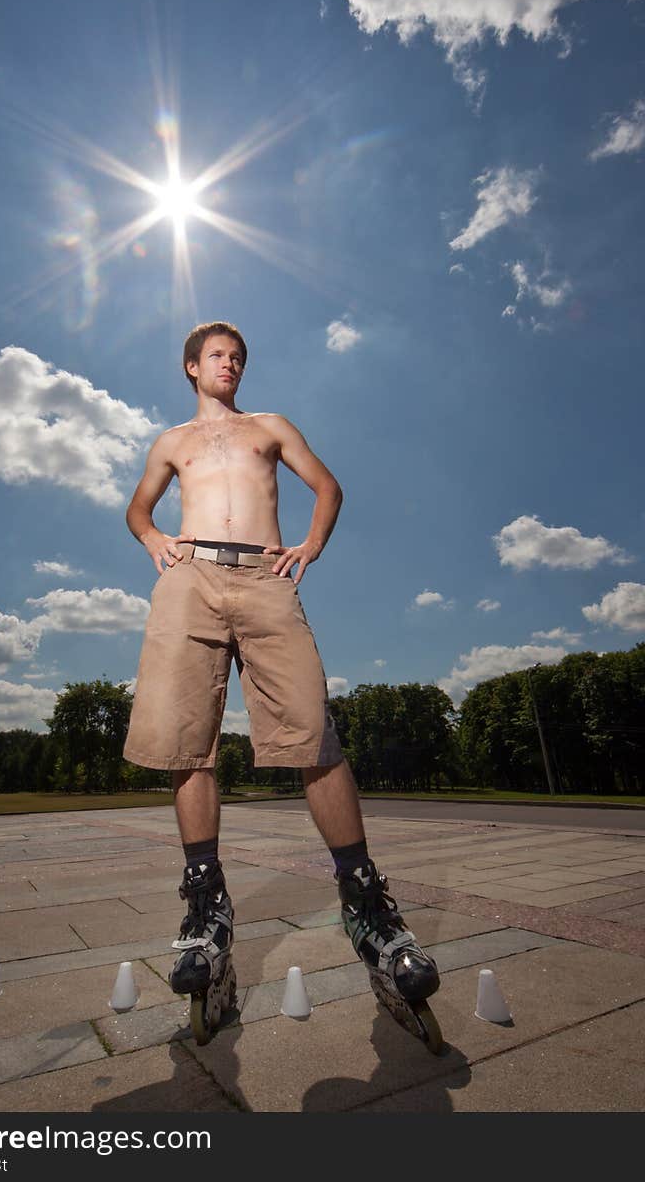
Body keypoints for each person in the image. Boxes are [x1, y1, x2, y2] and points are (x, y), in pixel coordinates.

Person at [122, 321, 441, 1050]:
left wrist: (310, 545)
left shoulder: (270, 426)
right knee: (186, 738)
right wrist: (153, 541)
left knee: (311, 731)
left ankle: (365, 898)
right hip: (190, 576)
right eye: (217, 355)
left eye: (238, 357)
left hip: (265, 578)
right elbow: (138, 509)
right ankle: (206, 899)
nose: (229, 363)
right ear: (191, 366)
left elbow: (326, 485)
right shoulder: (171, 441)